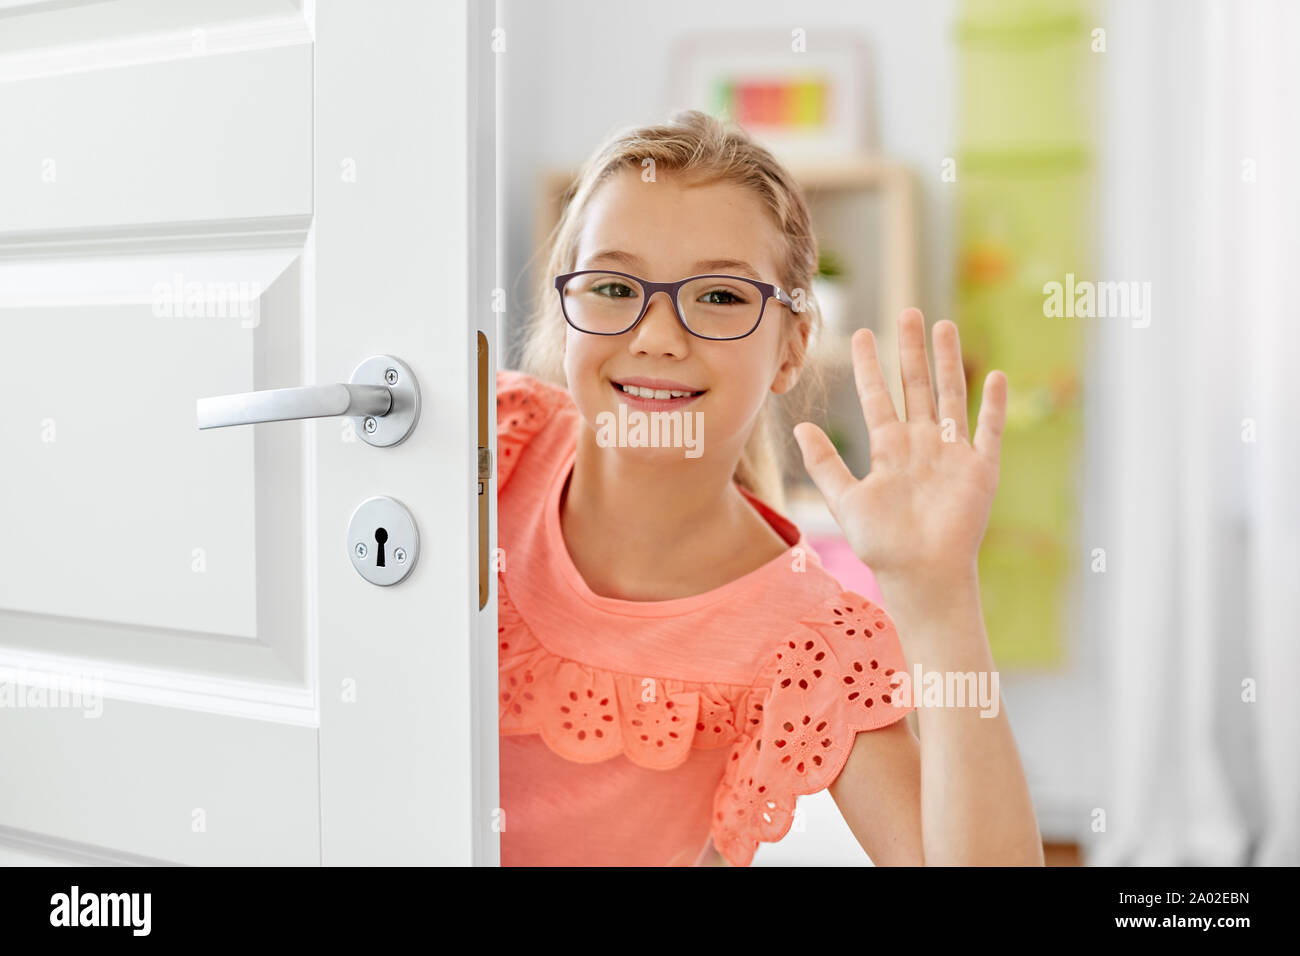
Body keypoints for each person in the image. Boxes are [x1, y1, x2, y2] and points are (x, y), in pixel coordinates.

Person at [496, 109, 1042, 866]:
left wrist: (937, 590)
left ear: (791, 350)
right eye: (614, 285)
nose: (657, 334)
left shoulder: (806, 639)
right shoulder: (499, 446)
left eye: (719, 297)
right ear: (565, 314)